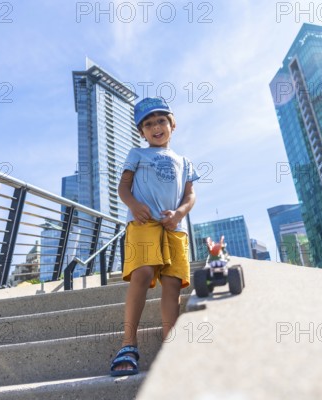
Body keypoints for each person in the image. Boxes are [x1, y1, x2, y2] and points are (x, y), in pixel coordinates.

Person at [110, 97, 199, 376]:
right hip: (143, 223)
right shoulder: (137, 154)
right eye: (148, 124)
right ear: (142, 132)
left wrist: (179, 214)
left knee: (172, 286)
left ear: (172, 125)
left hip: (174, 228)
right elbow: (123, 188)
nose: (155, 127)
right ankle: (128, 344)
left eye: (161, 121)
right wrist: (134, 206)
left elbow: (190, 195)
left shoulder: (184, 161)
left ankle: (172, 346)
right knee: (143, 273)